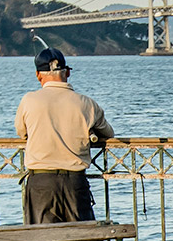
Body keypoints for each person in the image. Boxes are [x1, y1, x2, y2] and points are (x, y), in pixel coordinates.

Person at [15, 47, 113, 224]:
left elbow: (21, 132)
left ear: (38, 75)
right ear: (67, 73)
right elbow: (109, 133)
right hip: (74, 183)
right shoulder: (87, 104)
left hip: (41, 182)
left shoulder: (29, 100)